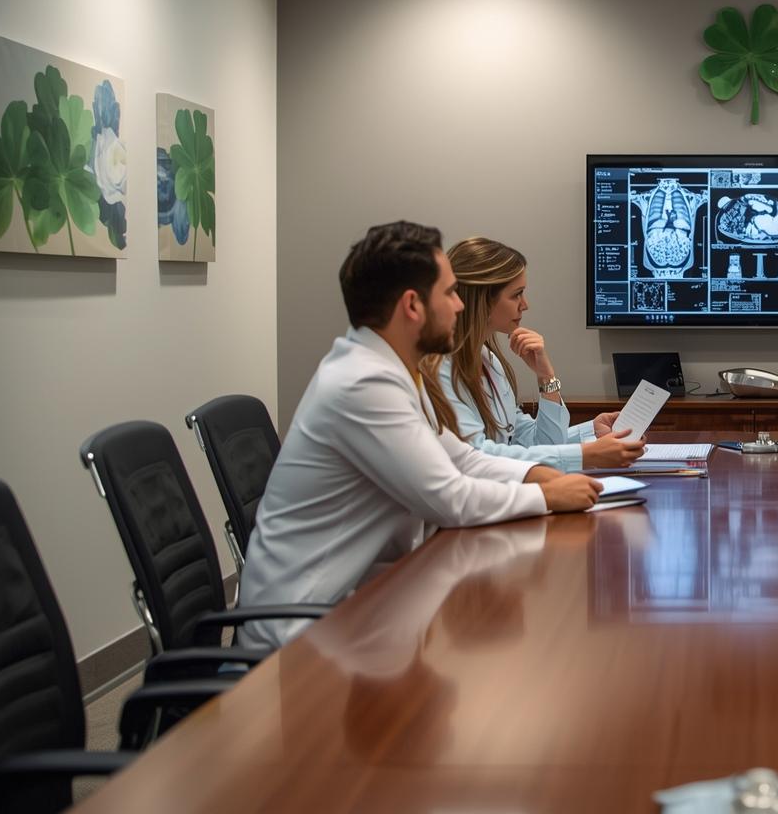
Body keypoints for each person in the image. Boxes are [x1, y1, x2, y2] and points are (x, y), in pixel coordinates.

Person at [237, 221, 601, 652]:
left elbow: (462, 459)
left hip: (357, 608)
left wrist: (542, 475)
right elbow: (448, 497)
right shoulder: (363, 384)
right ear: (413, 305)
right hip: (298, 636)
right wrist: (548, 497)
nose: (460, 306)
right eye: (449, 293)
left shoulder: (394, 371)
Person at [422, 236, 644, 471]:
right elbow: (476, 457)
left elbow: (532, 442)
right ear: (482, 299)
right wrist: (584, 455)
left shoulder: (488, 360)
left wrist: (547, 377)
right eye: (516, 294)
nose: (524, 304)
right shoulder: (438, 369)